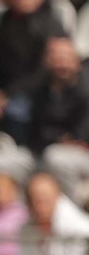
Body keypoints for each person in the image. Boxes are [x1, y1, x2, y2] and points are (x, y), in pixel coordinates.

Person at [0, 0, 69, 143]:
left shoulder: (50, 23)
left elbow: (43, 73)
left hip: (33, 97)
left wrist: (6, 95)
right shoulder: (4, 21)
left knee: (18, 112)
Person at [26, 37, 89, 191]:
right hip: (43, 149)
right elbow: (36, 130)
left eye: (67, 59)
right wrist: (59, 138)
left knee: (55, 158)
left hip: (81, 153)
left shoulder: (85, 90)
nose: (62, 65)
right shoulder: (39, 89)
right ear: (46, 61)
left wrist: (68, 139)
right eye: (57, 59)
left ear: (77, 62)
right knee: (2, 161)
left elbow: (81, 135)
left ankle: (69, 204)